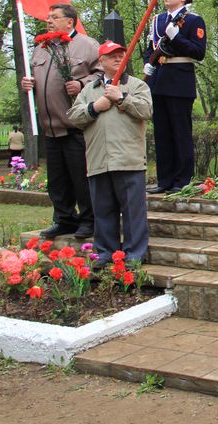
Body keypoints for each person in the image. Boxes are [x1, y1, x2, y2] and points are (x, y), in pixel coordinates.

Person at [68, 41, 153, 267]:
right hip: (98, 160)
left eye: (121, 55)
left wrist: (122, 98)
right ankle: (106, 253)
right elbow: (74, 117)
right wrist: (95, 107)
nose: (118, 59)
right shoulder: (89, 90)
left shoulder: (136, 85)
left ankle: (135, 255)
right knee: (103, 212)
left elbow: (146, 110)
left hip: (128, 160)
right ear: (101, 61)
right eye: (112, 56)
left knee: (133, 213)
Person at [21, 3, 101, 239]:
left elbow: (102, 74)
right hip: (50, 126)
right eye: (48, 17)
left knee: (80, 177)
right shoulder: (42, 48)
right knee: (57, 181)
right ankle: (64, 219)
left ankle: (89, 220)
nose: (49, 20)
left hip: (75, 126)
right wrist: (29, 85)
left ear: (70, 21)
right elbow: (42, 82)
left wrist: (82, 84)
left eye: (54, 17)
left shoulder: (87, 45)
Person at [142, 0, 206, 193]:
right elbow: (151, 48)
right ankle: (164, 180)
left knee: (180, 132)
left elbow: (199, 52)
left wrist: (176, 37)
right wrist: (147, 64)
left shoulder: (193, 20)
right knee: (162, 133)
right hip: (159, 79)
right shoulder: (157, 20)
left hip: (179, 80)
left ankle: (182, 180)